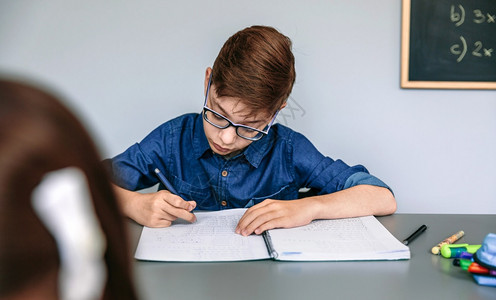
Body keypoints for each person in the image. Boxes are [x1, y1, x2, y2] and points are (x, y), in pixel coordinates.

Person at [106, 25, 396, 236]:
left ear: (277, 111)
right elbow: (82, 182)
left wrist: (309, 208)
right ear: (208, 82)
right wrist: (132, 203)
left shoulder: (289, 149)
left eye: (250, 127)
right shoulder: (171, 139)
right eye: (218, 114)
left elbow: (382, 197)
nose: (226, 137)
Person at [0, 79, 138, 300]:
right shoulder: (170, 138)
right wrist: (133, 202)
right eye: (214, 116)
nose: (217, 137)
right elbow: (106, 177)